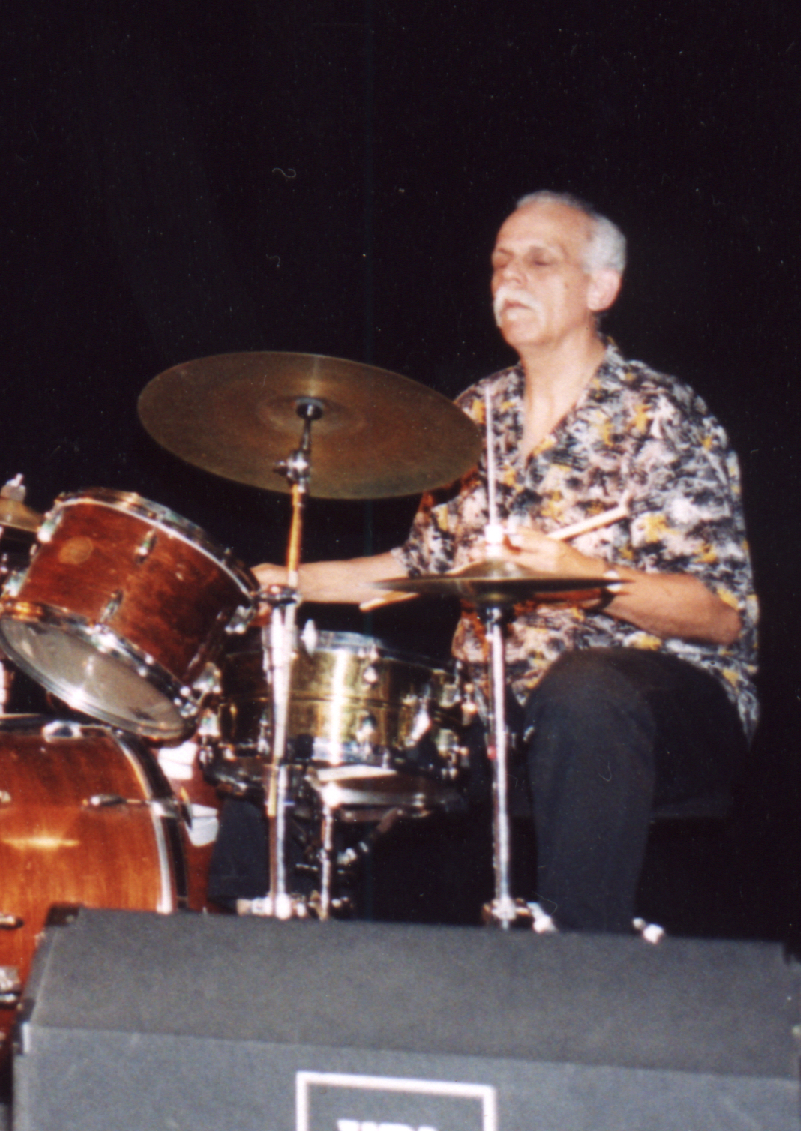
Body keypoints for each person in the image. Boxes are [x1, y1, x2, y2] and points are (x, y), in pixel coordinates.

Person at [258, 193, 757, 932]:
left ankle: (578, 959)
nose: (507, 277)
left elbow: (719, 615)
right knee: (312, 706)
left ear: (600, 289)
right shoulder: (472, 417)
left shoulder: (659, 414)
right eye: (498, 262)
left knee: (583, 690)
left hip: (662, 708)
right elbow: (419, 562)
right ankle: (262, 935)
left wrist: (584, 579)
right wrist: (285, 583)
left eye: (537, 260)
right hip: (500, 708)